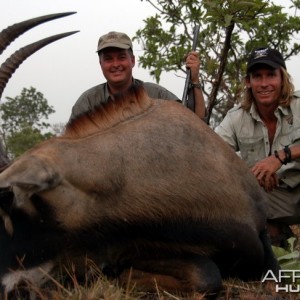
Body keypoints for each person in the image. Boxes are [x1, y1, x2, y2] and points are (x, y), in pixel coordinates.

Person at [215, 47, 300, 248]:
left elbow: (279, 159)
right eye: (257, 77)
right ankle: (276, 237)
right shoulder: (236, 118)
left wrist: (279, 157)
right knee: (234, 201)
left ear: (282, 78)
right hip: (273, 196)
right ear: (248, 82)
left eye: (270, 75)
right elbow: (214, 153)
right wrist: (253, 175)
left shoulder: (298, 105)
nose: (264, 84)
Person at [68, 31, 206, 122]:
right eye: (109, 59)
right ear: (101, 64)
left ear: (132, 61)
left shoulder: (155, 94)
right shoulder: (88, 103)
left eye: (121, 57)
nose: (116, 64)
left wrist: (195, 80)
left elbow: (196, 123)